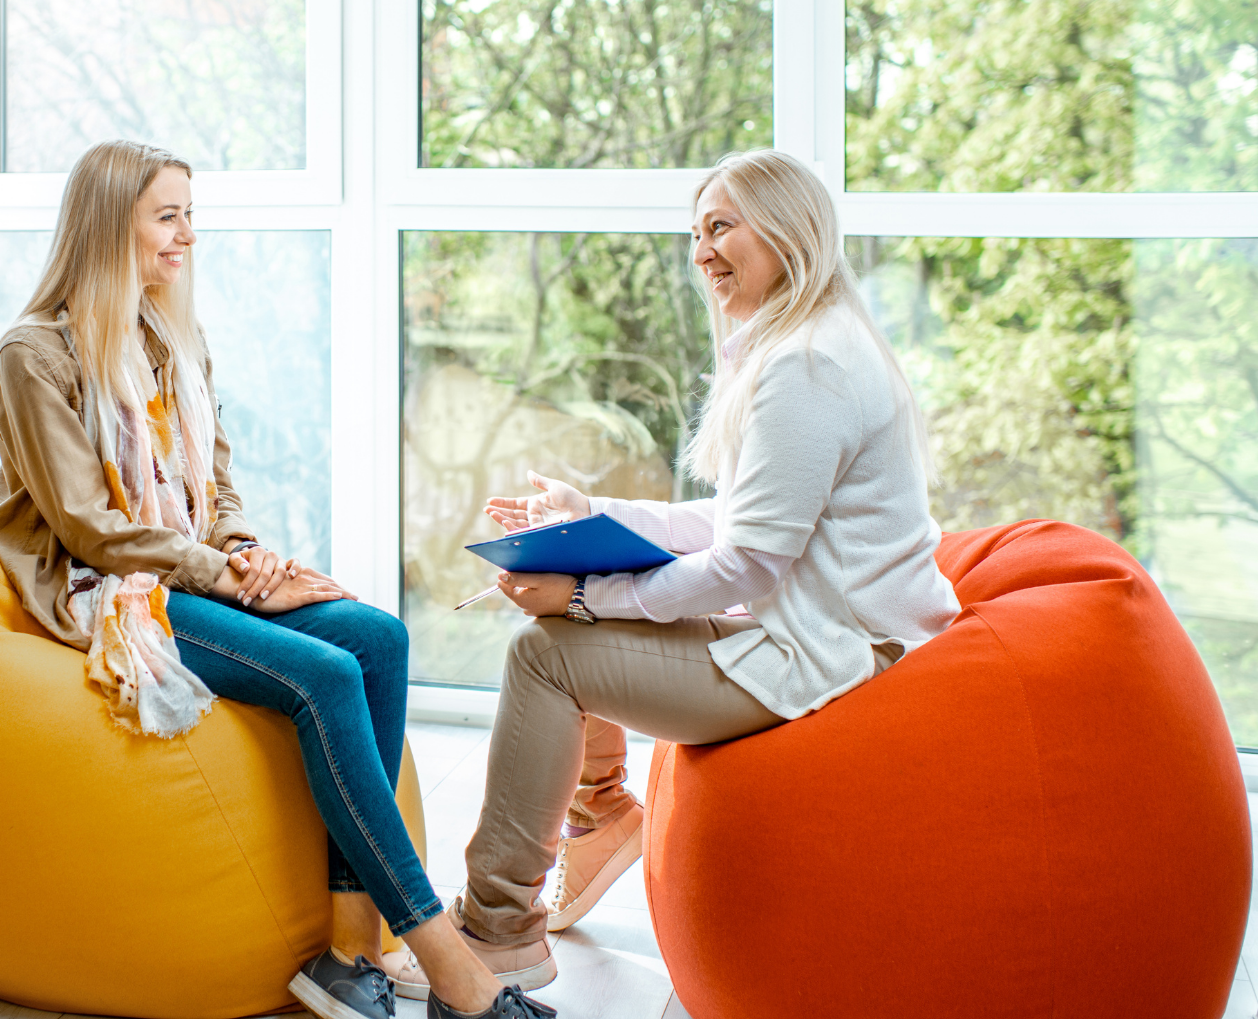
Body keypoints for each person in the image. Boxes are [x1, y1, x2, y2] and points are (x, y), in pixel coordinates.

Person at [0, 140, 553, 1019]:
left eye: (189, 216)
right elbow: (91, 528)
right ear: (108, 225)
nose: (187, 237)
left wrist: (246, 553)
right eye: (168, 216)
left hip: (184, 570)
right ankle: (451, 968)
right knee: (323, 675)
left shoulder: (170, 336)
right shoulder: (34, 354)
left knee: (378, 636)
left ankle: (351, 950)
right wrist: (231, 580)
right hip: (112, 591)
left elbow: (214, 486)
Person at [410, 148, 962, 988]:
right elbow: (744, 523)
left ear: (788, 229)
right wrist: (590, 518)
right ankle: (600, 817)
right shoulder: (803, 344)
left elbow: (744, 563)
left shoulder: (806, 368)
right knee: (559, 618)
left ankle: (498, 931)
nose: (701, 251)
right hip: (811, 635)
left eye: (720, 227)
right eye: (695, 233)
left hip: (832, 662)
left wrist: (592, 596)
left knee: (546, 653)